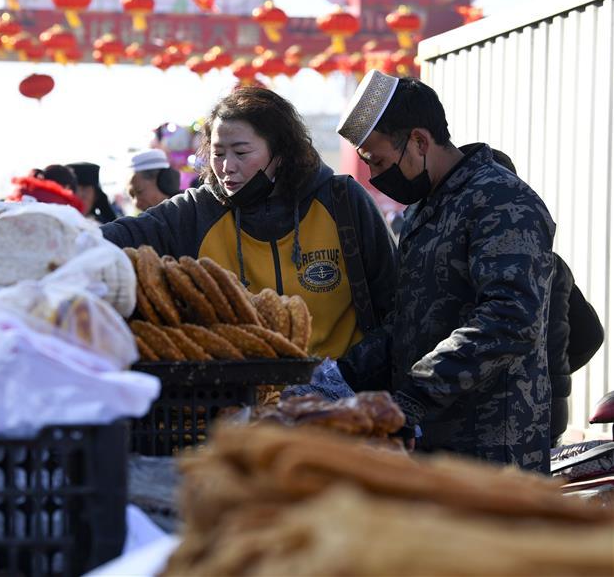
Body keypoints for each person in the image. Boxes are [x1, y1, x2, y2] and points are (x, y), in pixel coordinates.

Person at [336, 71, 556, 472]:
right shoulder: (424, 208)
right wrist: (340, 375)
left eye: (381, 161)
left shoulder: (501, 200)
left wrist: (416, 395)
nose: (376, 176)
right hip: (431, 438)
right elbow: (409, 320)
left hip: (493, 446)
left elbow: (509, 319)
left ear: (419, 141)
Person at [103, 86, 398, 360]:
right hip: (237, 399)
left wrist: (350, 374)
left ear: (280, 154)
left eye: (241, 153)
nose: (226, 167)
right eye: (218, 154)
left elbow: (394, 302)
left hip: (346, 397)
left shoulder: (343, 200)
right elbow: (116, 238)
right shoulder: (195, 211)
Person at [462, 144, 605, 446]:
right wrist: (551, 372)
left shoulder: (469, 266)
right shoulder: (553, 264)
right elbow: (590, 334)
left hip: (498, 420)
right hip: (549, 413)